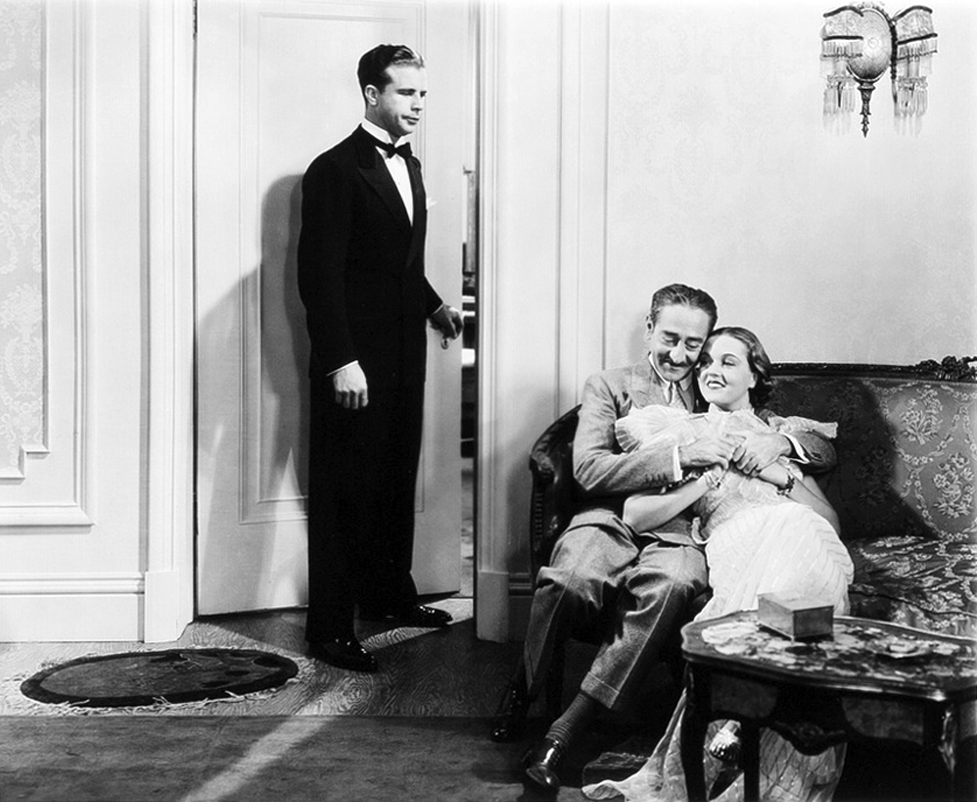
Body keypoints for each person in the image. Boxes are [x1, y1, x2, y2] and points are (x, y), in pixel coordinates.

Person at [490, 284, 836, 794]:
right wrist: (681, 458)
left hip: (680, 530)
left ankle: (565, 732)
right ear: (649, 329)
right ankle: (525, 684)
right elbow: (590, 469)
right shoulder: (610, 385)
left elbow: (816, 446)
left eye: (693, 345)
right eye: (670, 338)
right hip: (611, 516)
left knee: (672, 585)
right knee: (571, 580)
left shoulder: (715, 381)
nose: (680, 355)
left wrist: (777, 441)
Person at [583, 326, 854, 802]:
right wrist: (706, 478)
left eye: (728, 362)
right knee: (795, 566)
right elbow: (636, 514)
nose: (711, 370)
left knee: (800, 538)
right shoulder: (686, 431)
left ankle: (744, 716)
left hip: (800, 534)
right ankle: (760, 718)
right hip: (737, 539)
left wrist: (778, 474)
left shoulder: (777, 437)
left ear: (755, 376)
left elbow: (828, 521)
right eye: (706, 361)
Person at [296, 44, 463, 673]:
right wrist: (340, 359)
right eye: (406, 93)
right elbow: (319, 277)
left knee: (395, 477)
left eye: (423, 94)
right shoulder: (333, 170)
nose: (418, 105)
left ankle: (389, 596)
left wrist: (434, 304)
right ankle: (329, 630)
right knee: (344, 491)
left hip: (403, 354)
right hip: (355, 361)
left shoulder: (410, 164)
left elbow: (397, 262)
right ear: (372, 94)